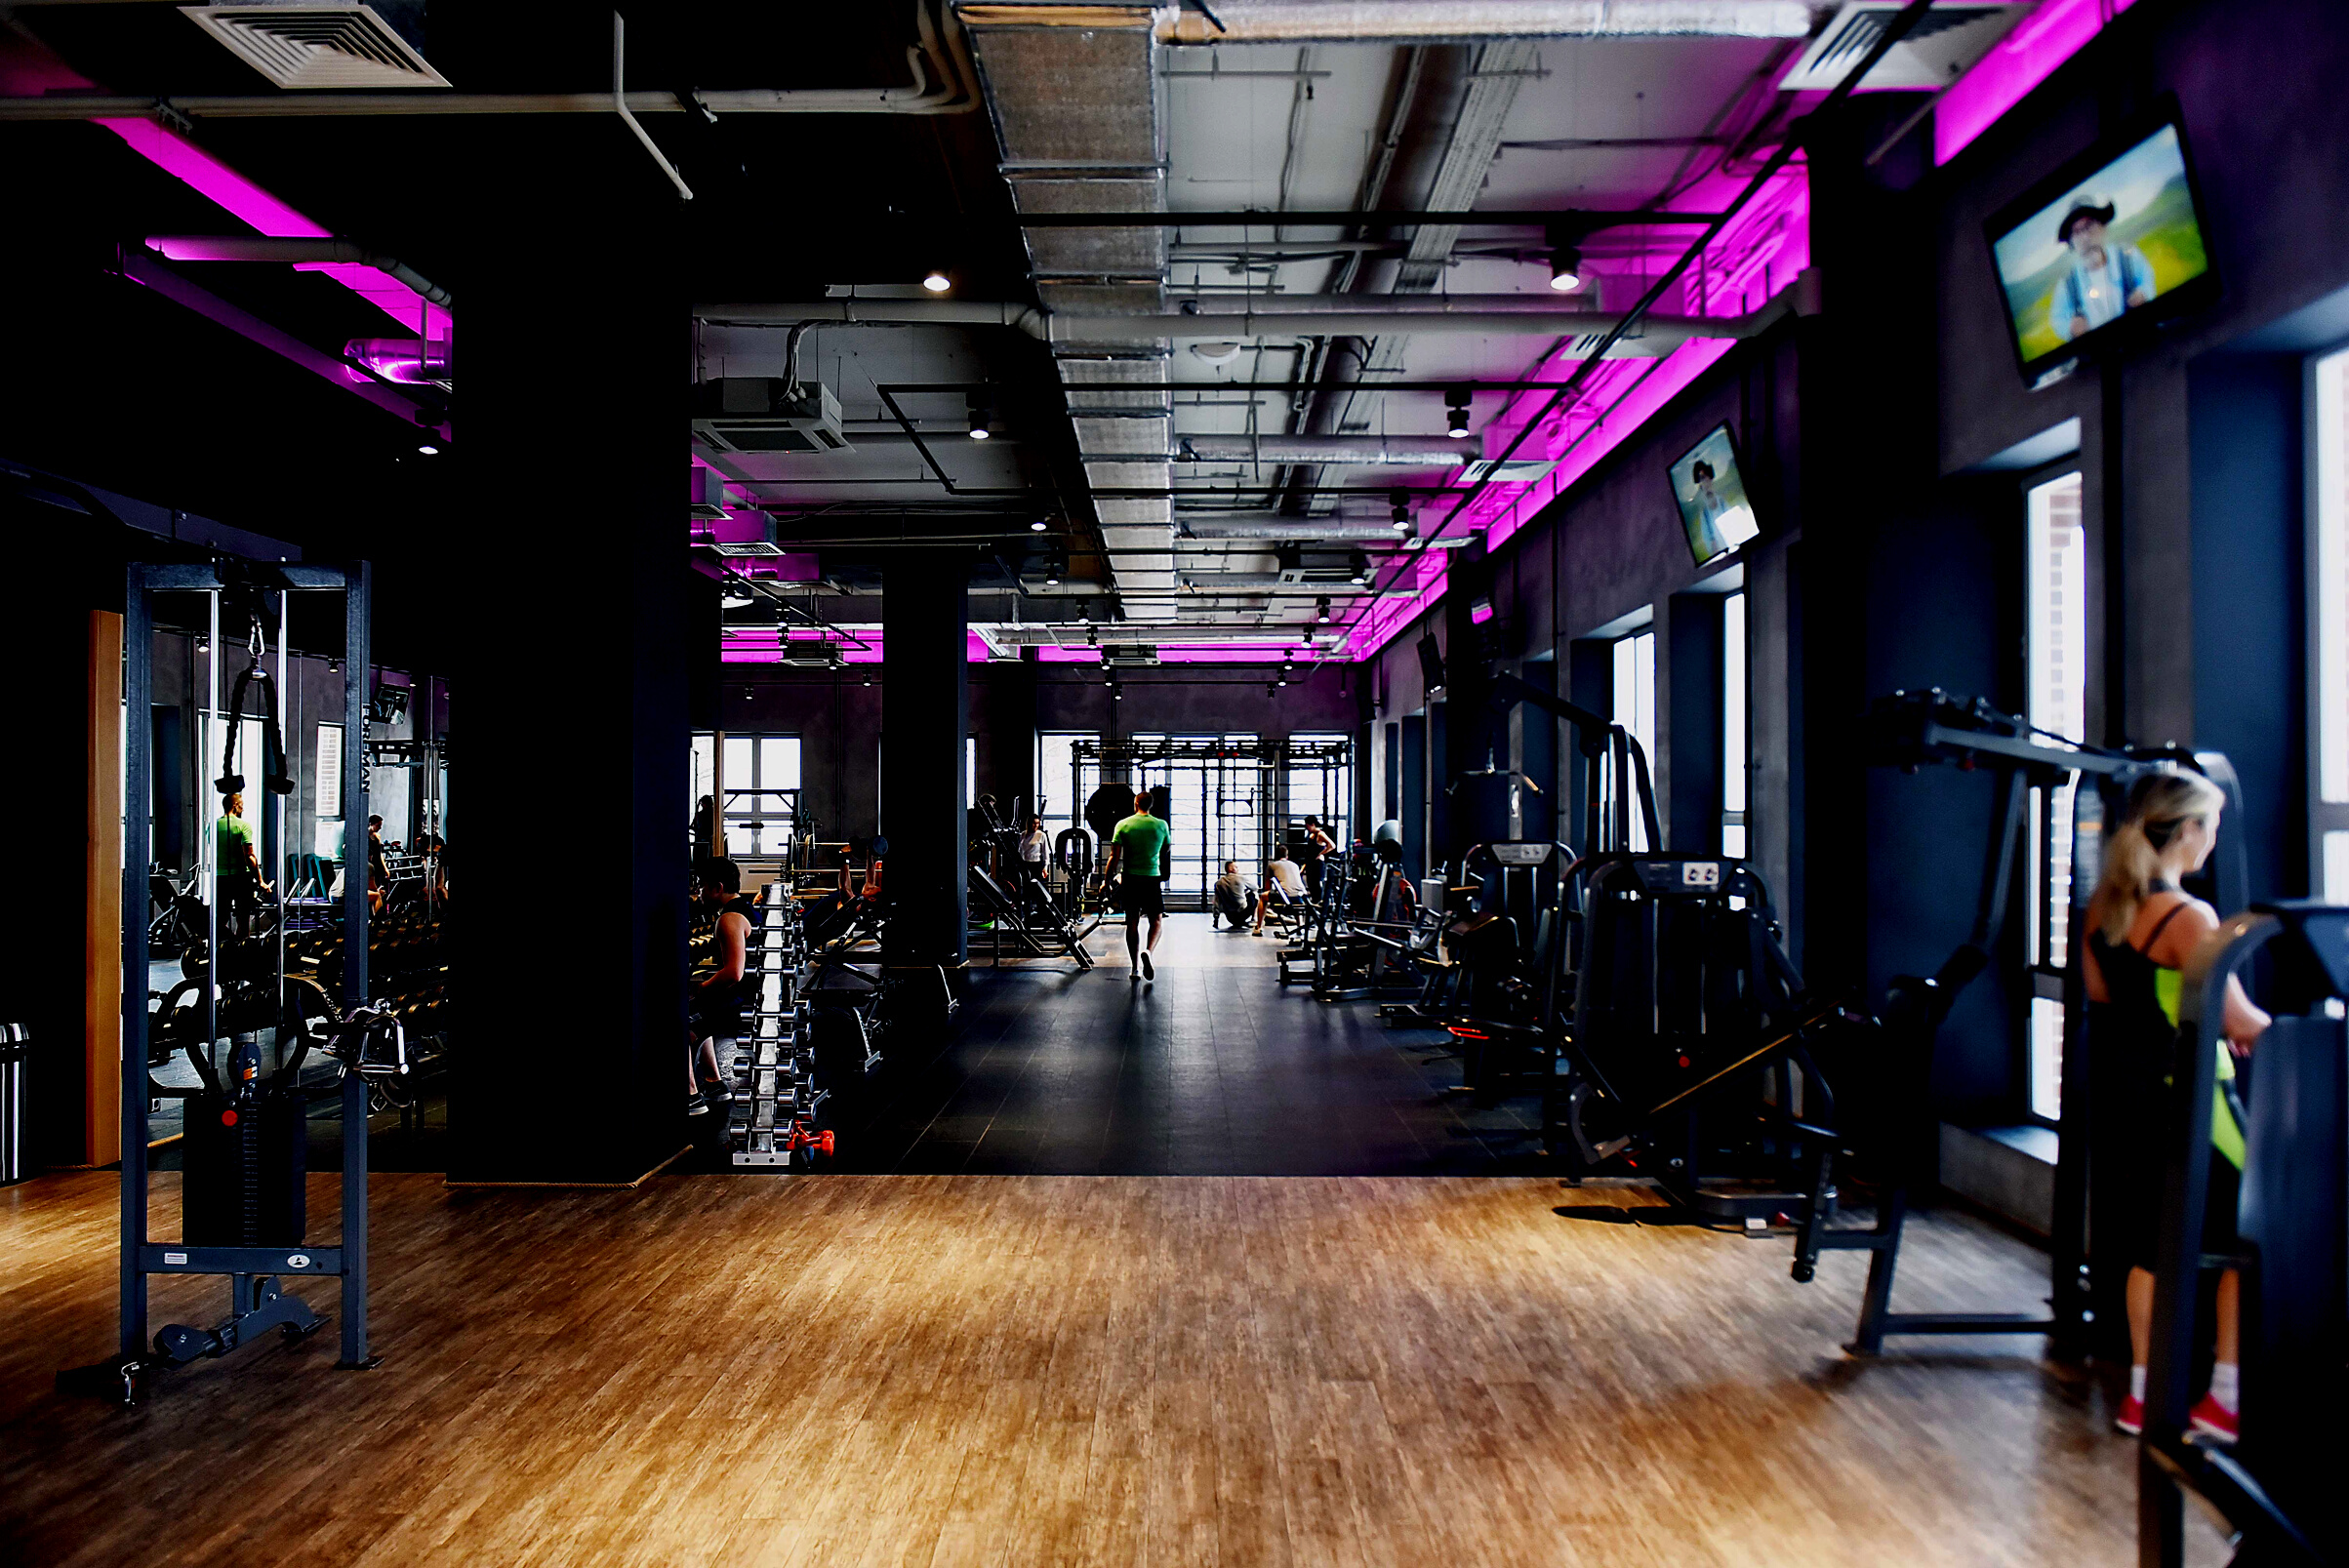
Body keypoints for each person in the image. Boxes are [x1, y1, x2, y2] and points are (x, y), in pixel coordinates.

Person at [2083, 769, 2269, 1443]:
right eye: (2209, 826)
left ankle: (2143, 1397)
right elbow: (2240, 1020)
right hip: (2193, 1099)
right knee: (2254, 1233)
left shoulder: (2101, 911)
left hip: (2133, 1102)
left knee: (2151, 1247)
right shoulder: (2190, 917)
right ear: (2187, 829)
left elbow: (2109, 1001)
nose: (2212, 839)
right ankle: (2223, 1399)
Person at [686, 858, 755, 1116]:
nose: (700, 892)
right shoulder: (746, 909)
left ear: (718, 888)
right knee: (698, 1014)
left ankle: (691, 1096)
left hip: (741, 1003)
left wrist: (702, 988)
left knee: (681, 1017)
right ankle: (715, 1085)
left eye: (703, 886)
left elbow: (734, 973)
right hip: (750, 997)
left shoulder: (728, 919)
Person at [2051, 193, 2155, 341]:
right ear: (2071, 243)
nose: (2085, 238)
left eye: (2089, 226)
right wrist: (2070, 328)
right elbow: (2058, 319)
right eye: (2077, 232)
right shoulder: (2066, 285)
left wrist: (2144, 294)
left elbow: (2147, 279)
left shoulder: (2128, 256)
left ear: (2103, 227)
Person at [1109, 784, 1170, 981]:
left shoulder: (1123, 824)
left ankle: (1135, 968)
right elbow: (1166, 849)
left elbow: (1114, 856)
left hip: (1130, 878)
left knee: (1132, 922)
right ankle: (1148, 951)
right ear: (1151, 805)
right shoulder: (1161, 825)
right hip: (1152, 877)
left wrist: (1106, 880)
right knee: (1156, 920)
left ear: (1135, 803)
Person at [214, 791, 270, 937]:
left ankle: (223, 946)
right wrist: (260, 881)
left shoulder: (213, 826)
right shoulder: (243, 826)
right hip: (241, 878)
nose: (243, 809)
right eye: (241, 805)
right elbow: (249, 855)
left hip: (220, 878)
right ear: (235, 805)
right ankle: (240, 946)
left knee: (220, 919)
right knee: (243, 919)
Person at [1253, 851, 1305, 935]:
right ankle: (1300, 925)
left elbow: (1267, 887)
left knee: (1263, 897)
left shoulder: (1272, 865)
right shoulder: (1295, 865)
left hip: (1286, 896)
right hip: (1301, 896)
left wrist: (1271, 902)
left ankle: (1259, 927)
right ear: (1287, 856)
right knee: (1294, 897)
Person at [1298, 814, 1337, 895]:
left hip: (1317, 864)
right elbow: (1309, 854)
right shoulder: (1311, 836)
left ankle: (1319, 899)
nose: (1307, 828)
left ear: (1313, 824)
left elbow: (1332, 845)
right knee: (1311, 884)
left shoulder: (1320, 834)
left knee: (1317, 885)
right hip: (1310, 864)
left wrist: (1321, 853)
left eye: (1307, 826)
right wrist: (1303, 868)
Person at [1212, 861, 1255, 931]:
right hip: (1244, 913)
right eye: (1236, 867)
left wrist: (1216, 919)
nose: (1238, 869)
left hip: (1230, 917)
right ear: (1232, 869)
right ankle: (1254, 919)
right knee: (1253, 894)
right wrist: (1245, 891)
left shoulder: (1218, 883)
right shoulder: (1240, 878)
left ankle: (1240, 922)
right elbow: (1255, 887)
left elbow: (1216, 903)